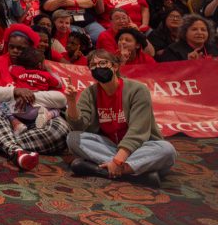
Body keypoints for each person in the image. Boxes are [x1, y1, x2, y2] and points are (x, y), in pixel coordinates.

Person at [66, 49, 177, 187]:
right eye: (93, 65)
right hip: (111, 147)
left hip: (140, 147)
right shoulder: (89, 93)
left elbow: (138, 131)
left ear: (115, 66)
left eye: (103, 63)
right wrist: (71, 101)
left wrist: (117, 162)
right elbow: (79, 126)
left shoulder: (138, 90)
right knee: (73, 138)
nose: (98, 68)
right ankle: (137, 172)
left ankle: (106, 170)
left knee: (166, 150)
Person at [0, 25, 69, 170]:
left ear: (31, 48)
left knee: (61, 129)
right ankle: (16, 150)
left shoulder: (41, 66)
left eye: (21, 48)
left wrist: (31, 96)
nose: (15, 51)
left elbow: (61, 99)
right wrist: (15, 92)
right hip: (6, 120)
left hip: (37, 121)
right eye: (11, 47)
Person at [0, 46, 64, 131]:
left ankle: (15, 122)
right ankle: (49, 115)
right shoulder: (46, 75)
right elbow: (59, 84)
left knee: (1, 103)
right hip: (38, 109)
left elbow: (10, 68)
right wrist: (49, 70)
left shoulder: (18, 71)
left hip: (18, 108)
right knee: (58, 106)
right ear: (40, 65)